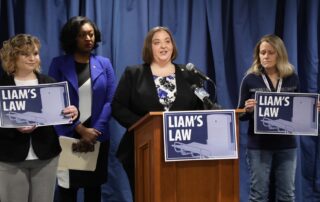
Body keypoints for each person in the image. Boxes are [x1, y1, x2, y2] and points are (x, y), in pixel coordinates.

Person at [111, 26, 205, 198]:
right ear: (149, 47)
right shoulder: (134, 73)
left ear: (173, 46)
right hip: (142, 149)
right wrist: (143, 126)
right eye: (157, 42)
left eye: (167, 41)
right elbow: (117, 106)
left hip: (183, 150)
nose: (163, 46)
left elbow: (201, 108)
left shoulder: (188, 75)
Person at [0, 34, 78, 202]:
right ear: (13, 57)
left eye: (35, 53)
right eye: (25, 54)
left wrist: (72, 112)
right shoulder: (2, 86)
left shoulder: (49, 82)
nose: (32, 58)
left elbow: (61, 115)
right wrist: (14, 126)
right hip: (10, 158)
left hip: (46, 157)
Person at [48, 16, 116, 202]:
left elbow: (111, 102)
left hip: (97, 137)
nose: (88, 38)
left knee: (93, 191)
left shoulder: (104, 64)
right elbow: (53, 100)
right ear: (72, 38)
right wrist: (79, 128)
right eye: (82, 35)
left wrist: (94, 132)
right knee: (67, 192)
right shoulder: (58, 64)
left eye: (91, 34)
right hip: (68, 136)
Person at [237, 34, 300, 202]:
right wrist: (247, 110)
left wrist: (312, 109)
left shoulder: (291, 77)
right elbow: (240, 114)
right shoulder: (250, 79)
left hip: (286, 145)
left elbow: (299, 109)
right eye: (262, 52)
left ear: (279, 54)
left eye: (270, 52)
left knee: (287, 195)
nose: (265, 56)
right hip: (259, 146)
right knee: (258, 195)